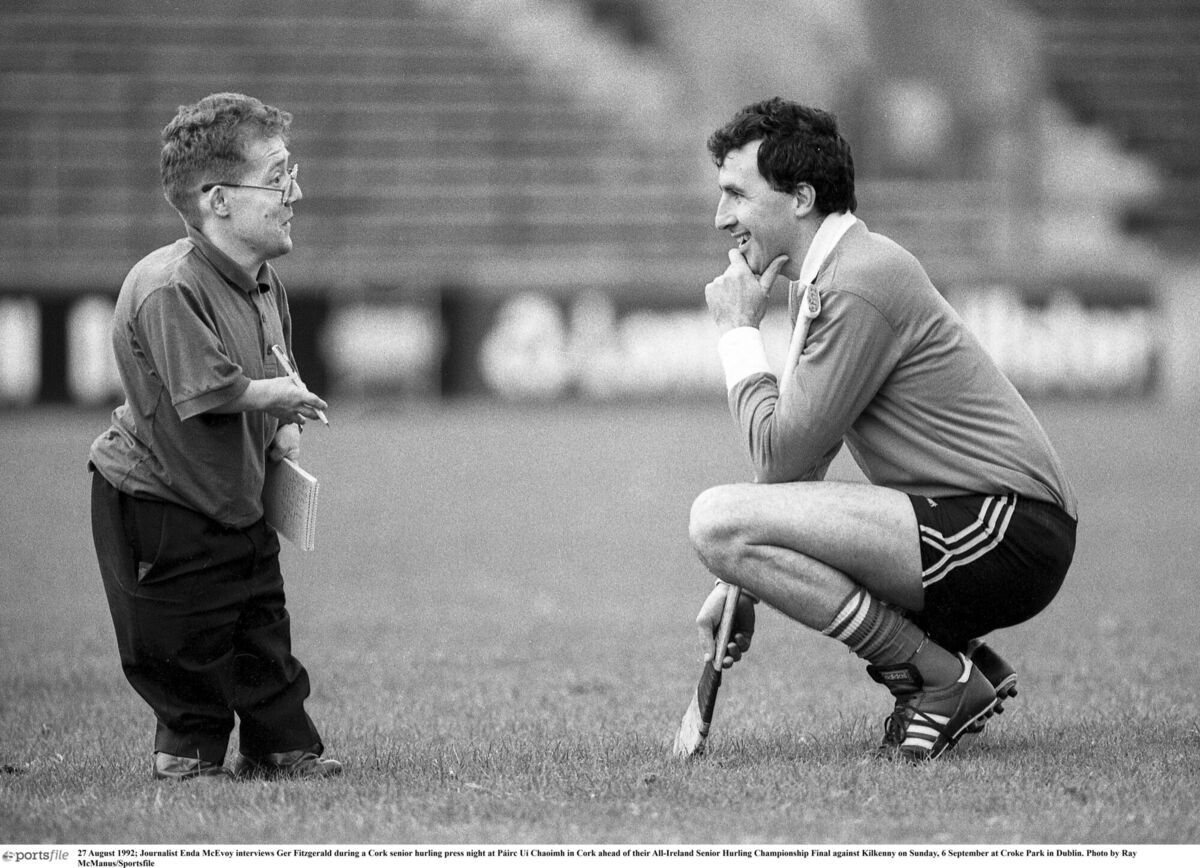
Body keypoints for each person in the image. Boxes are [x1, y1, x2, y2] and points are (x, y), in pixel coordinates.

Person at [689, 97, 1078, 761]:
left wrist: (736, 332)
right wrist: (741, 578)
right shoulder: (826, 277)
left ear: (801, 197)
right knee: (730, 528)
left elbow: (778, 457)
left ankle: (936, 676)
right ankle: (960, 664)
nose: (722, 217)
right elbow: (803, 463)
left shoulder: (858, 282)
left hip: (1006, 531)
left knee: (715, 518)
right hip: (981, 525)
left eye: (736, 195)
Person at [88, 92, 340, 780]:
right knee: (182, 637)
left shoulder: (262, 282)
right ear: (219, 200)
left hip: (237, 490)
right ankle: (189, 752)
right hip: (159, 499)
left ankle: (281, 743)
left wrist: (284, 430)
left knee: (261, 622)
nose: (296, 191)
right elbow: (211, 393)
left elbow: (273, 364)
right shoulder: (169, 286)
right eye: (279, 175)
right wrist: (278, 397)